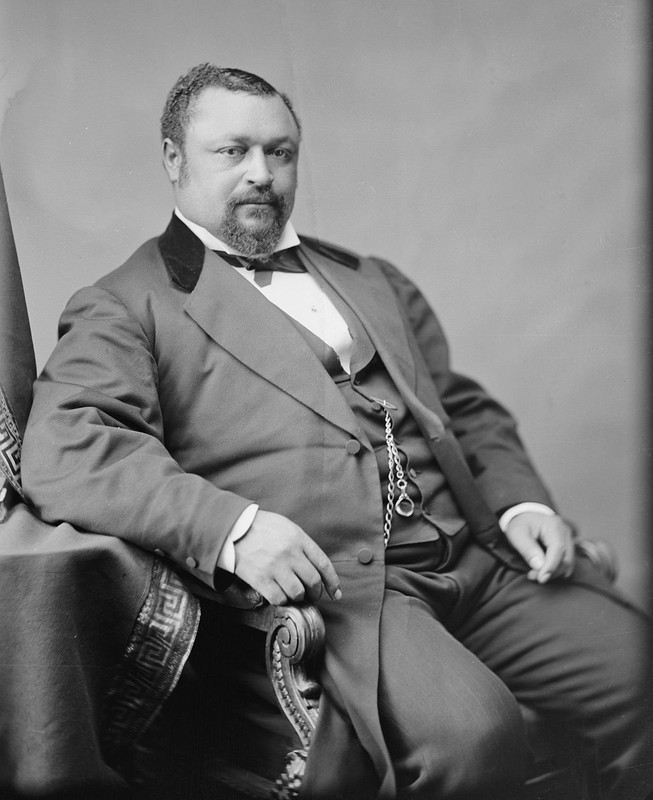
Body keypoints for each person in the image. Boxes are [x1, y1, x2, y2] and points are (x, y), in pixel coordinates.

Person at [21, 63, 651, 800]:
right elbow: (68, 447)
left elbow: (462, 407)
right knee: (472, 742)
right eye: (233, 152)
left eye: (280, 152)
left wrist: (519, 504)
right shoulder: (127, 304)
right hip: (352, 589)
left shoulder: (370, 278)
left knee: (636, 671)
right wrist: (234, 527)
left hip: (477, 562)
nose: (261, 173)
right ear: (173, 161)